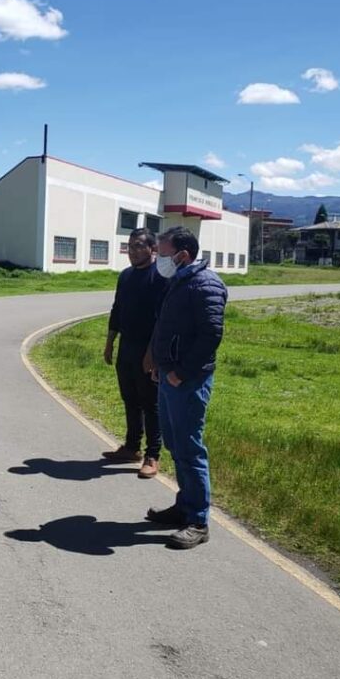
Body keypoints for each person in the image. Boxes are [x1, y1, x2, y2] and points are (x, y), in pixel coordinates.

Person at [144, 226, 227, 549]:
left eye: (162, 253)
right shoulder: (179, 280)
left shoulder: (206, 284)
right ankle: (184, 506)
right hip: (169, 375)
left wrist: (181, 372)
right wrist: (160, 364)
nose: (158, 259)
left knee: (190, 448)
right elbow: (167, 326)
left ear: (182, 255)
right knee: (176, 445)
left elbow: (210, 335)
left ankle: (198, 521)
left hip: (188, 379)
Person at [101, 227, 167, 478]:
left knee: (150, 403)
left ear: (153, 249)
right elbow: (117, 310)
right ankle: (131, 447)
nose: (133, 251)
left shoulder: (159, 276)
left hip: (148, 348)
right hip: (126, 347)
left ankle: (153, 455)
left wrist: (151, 353)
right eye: (130, 246)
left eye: (139, 246)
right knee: (130, 399)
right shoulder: (126, 276)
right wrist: (110, 342)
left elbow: (162, 318)